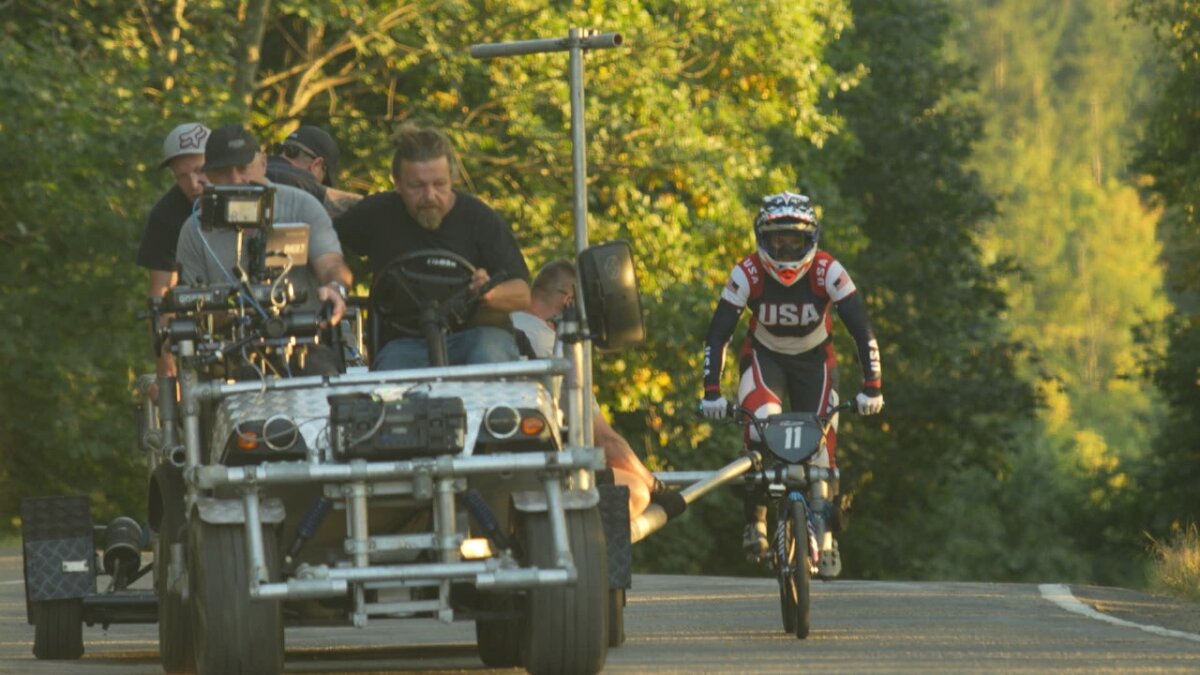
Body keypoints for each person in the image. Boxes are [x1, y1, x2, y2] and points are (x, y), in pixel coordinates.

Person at [699, 191, 884, 573]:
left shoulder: (829, 271)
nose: (784, 251)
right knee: (759, 430)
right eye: (776, 241)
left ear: (811, 240)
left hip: (815, 363)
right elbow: (718, 334)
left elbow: (862, 330)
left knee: (821, 449)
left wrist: (873, 387)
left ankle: (828, 538)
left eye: (793, 242)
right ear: (761, 240)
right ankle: (757, 521)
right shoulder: (747, 272)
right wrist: (712, 393)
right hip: (765, 359)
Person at [334, 122, 530, 370]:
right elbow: (325, 245)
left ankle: (493, 410)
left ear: (453, 179)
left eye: (439, 185)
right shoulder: (378, 215)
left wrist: (488, 293)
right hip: (404, 344)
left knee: (489, 354)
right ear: (397, 183)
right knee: (392, 374)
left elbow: (522, 293)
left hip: (476, 337)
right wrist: (337, 277)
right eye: (417, 187)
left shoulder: (479, 219)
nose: (429, 196)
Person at [174, 124, 353, 375]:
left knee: (321, 378)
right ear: (209, 177)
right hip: (231, 354)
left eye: (244, 168)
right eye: (224, 171)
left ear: (263, 164)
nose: (237, 179)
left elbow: (332, 263)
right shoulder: (195, 230)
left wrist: (335, 288)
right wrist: (228, 312)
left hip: (304, 344)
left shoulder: (302, 206)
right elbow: (188, 307)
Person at [512, 260, 673, 519]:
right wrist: (657, 487)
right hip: (540, 472)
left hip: (492, 464)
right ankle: (580, 554)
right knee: (635, 490)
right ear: (569, 302)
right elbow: (603, 439)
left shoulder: (499, 330)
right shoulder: (555, 348)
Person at [137, 122, 210, 383]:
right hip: (198, 327)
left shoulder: (249, 197)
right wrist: (166, 369)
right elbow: (161, 293)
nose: (193, 183)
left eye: (201, 171)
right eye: (182, 176)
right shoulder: (165, 215)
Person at [266, 125, 363, 217]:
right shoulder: (299, 183)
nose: (320, 184)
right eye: (324, 181)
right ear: (317, 165)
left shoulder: (257, 166)